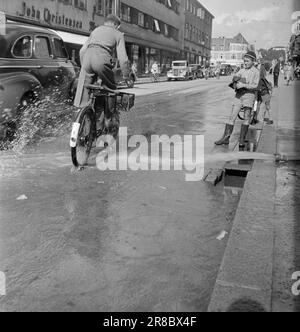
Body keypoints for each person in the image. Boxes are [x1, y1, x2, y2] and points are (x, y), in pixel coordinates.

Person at [74, 14, 130, 108]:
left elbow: (82, 51)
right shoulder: (118, 34)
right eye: (118, 26)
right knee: (110, 88)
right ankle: (109, 118)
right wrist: (126, 76)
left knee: (84, 86)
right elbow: (123, 58)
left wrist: (83, 66)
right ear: (115, 24)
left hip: (87, 57)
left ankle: (80, 114)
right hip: (101, 59)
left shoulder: (96, 30)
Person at [215, 51, 260, 149]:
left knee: (246, 117)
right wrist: (235, 79)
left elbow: (256, 85)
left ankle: (242, 139)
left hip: (249, 95)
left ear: (253, 61)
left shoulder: (256, 72)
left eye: (247, 61)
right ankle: (226, 137)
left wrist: (244, 85)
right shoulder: (242, 70)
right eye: (244, 61)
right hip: (239, 95)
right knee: (232, 116)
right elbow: (235, 76)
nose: (245, 63)